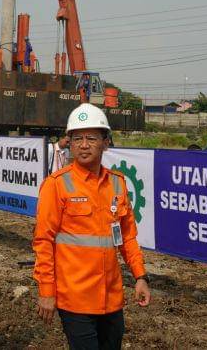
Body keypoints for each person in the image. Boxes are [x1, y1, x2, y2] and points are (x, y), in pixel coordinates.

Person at [34, 103, 151, 350]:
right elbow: (43, 241)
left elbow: (127, 236)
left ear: (105, 142)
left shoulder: (117, 184)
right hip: (75, 300)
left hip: (112, 300)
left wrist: (140, 276)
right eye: (77, 138)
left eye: (91, 138)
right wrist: (46, 290)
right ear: (69, 142)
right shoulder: (56, 185)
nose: (83, 145)